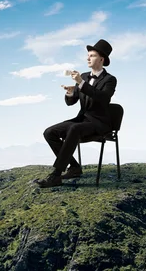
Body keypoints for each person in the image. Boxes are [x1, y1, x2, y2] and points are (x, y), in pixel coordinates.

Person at [37, 39, 117, 188]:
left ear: (101, 59)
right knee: (49, 132)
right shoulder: (85, 76)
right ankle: (74, 167)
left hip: (99, 123)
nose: (88, 58)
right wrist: (70, 93)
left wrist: (81, 84)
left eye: (92, 55)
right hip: (82, 120)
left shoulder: (110, 80)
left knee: (74, 129)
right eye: (88, 55)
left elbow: (103, 99)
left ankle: (56, 175)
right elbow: (71, 102)